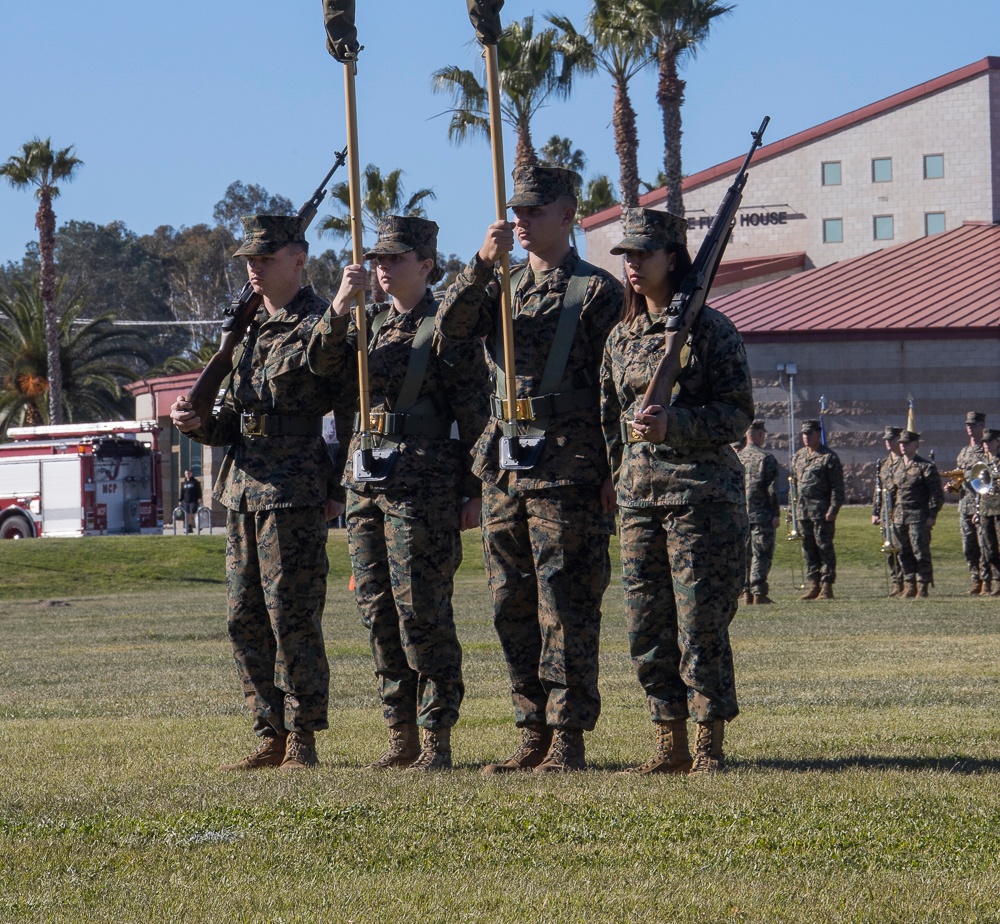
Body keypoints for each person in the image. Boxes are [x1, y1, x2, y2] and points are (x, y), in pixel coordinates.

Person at [435, 164, 622, 774]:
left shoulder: (597, 292)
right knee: (509, 603)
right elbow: (448, 337)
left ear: (568, 215)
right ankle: (532, 727)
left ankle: (568, 734)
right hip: (505, 467)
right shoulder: (498, 286)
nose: (521, 221)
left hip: (569, 465)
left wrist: (614, 470)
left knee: (565, 605)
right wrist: (480, 267)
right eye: (516, 211)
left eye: (534, 212)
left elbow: (616, 389)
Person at [307, 215, 490, 772]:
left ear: (426, 264)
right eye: (378, 259)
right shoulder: (365, 323)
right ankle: (400, 731)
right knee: (377, 610)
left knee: (422, 610)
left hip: (424, 487)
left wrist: (475, 488)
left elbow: (474, 412)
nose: (383, 268)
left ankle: (436, 735)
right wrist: (339, 306)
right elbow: (318, 364)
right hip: (365, 484)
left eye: (395, 259)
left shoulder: (445, 326)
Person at [170, 213, 342, 771]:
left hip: (294, 491)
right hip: (242, 490)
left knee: (292, 616)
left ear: (298, 259)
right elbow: (232, 422)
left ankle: (302, 737)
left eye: (265, 258)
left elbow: (342, 403)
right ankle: (268, 731)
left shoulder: (320, 322)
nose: (253, 267)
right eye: (249, 259)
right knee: (244, 618)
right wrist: (194, 420)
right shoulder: (241, 334)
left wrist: (336, 486)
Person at [601, 207, 753, 777]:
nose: (633, 264)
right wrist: (614, 483)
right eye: (627, 255)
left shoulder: (711, 330)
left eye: (643, 253)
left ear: (672, 258)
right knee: (647, 624)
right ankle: (668, 741)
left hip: (700, 499)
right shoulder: (622, 337)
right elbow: (610, 420)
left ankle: (709, 745)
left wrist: (678, 426)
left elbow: (737, 415)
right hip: (639, 500)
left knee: (701, 624)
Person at [887, 428, 944, 598]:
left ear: (916, 445)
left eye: (906, 443)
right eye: (901, 443)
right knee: (903, 551)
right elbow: (892, 492)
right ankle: (909, 583)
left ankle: (923, 584)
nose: (902, 446)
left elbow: (936, 494)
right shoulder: (896, 467)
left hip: (918, 516)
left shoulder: (925, 467)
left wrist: (932, 515)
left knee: (920, 550)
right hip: (899, 516)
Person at [791, 421, 844, 600]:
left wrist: (833, 509)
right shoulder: (798, 456)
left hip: (822, 511)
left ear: (818, 434)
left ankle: (827, 586)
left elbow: (837, 487)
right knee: (808, 549)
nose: (806, 437)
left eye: (809, 433)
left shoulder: (829, 457)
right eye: (804, 434)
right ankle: (814, 584)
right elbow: (795, 486)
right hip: (803, 511)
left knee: (824, 547)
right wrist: (792, 511)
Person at [735, 424, 779, 605]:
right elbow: (772, 490)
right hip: (761, 515)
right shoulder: (766, 458)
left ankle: (746, 592)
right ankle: (758, 592)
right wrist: (775, 513)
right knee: (761, 553)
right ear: (760, 434)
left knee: (744, 555)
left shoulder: (737, 457)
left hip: (741, 515)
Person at [948, 411, 988, 594]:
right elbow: (959, 477)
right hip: (966, 504)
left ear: (982, 426)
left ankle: (987, 580)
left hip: (983, 504)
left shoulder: (987, 451)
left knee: (984, 544)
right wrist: (952, 486)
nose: (969, 428)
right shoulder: (964, 452)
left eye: (973, 424)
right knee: (968, 546)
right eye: (967, 425)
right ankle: (975, 580)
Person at [870, 428, 903, 597]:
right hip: (886, 513)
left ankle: (910, 582)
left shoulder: (906, 462)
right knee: (890, 549)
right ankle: (897, 583)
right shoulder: (884, 464)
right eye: (886, 439)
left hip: (903, 512)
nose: (888, 442)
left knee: (904, 548)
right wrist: (875, 511)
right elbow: (879, 490)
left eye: (892, 438)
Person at [975, 429, 1000, 596]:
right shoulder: (982, 462)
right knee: (989, 548)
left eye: (989, 441)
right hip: (985, 509)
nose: (986, 444)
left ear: (997, 441)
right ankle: (997, 580)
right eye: (984, 442)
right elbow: (978, 488)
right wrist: (977, 510)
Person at [179, 468, 202, 533]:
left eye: (188, 473)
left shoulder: (195, 482)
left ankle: (195, 525)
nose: (187, 475)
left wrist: (199, 498)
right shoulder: (184, 483)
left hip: (193, 500)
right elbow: (182, 492)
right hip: (186, 501)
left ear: (191, 474)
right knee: (188, 514)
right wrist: (180, 500)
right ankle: (190, 528)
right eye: (186, 474)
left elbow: (199, 491)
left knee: (192, 513)